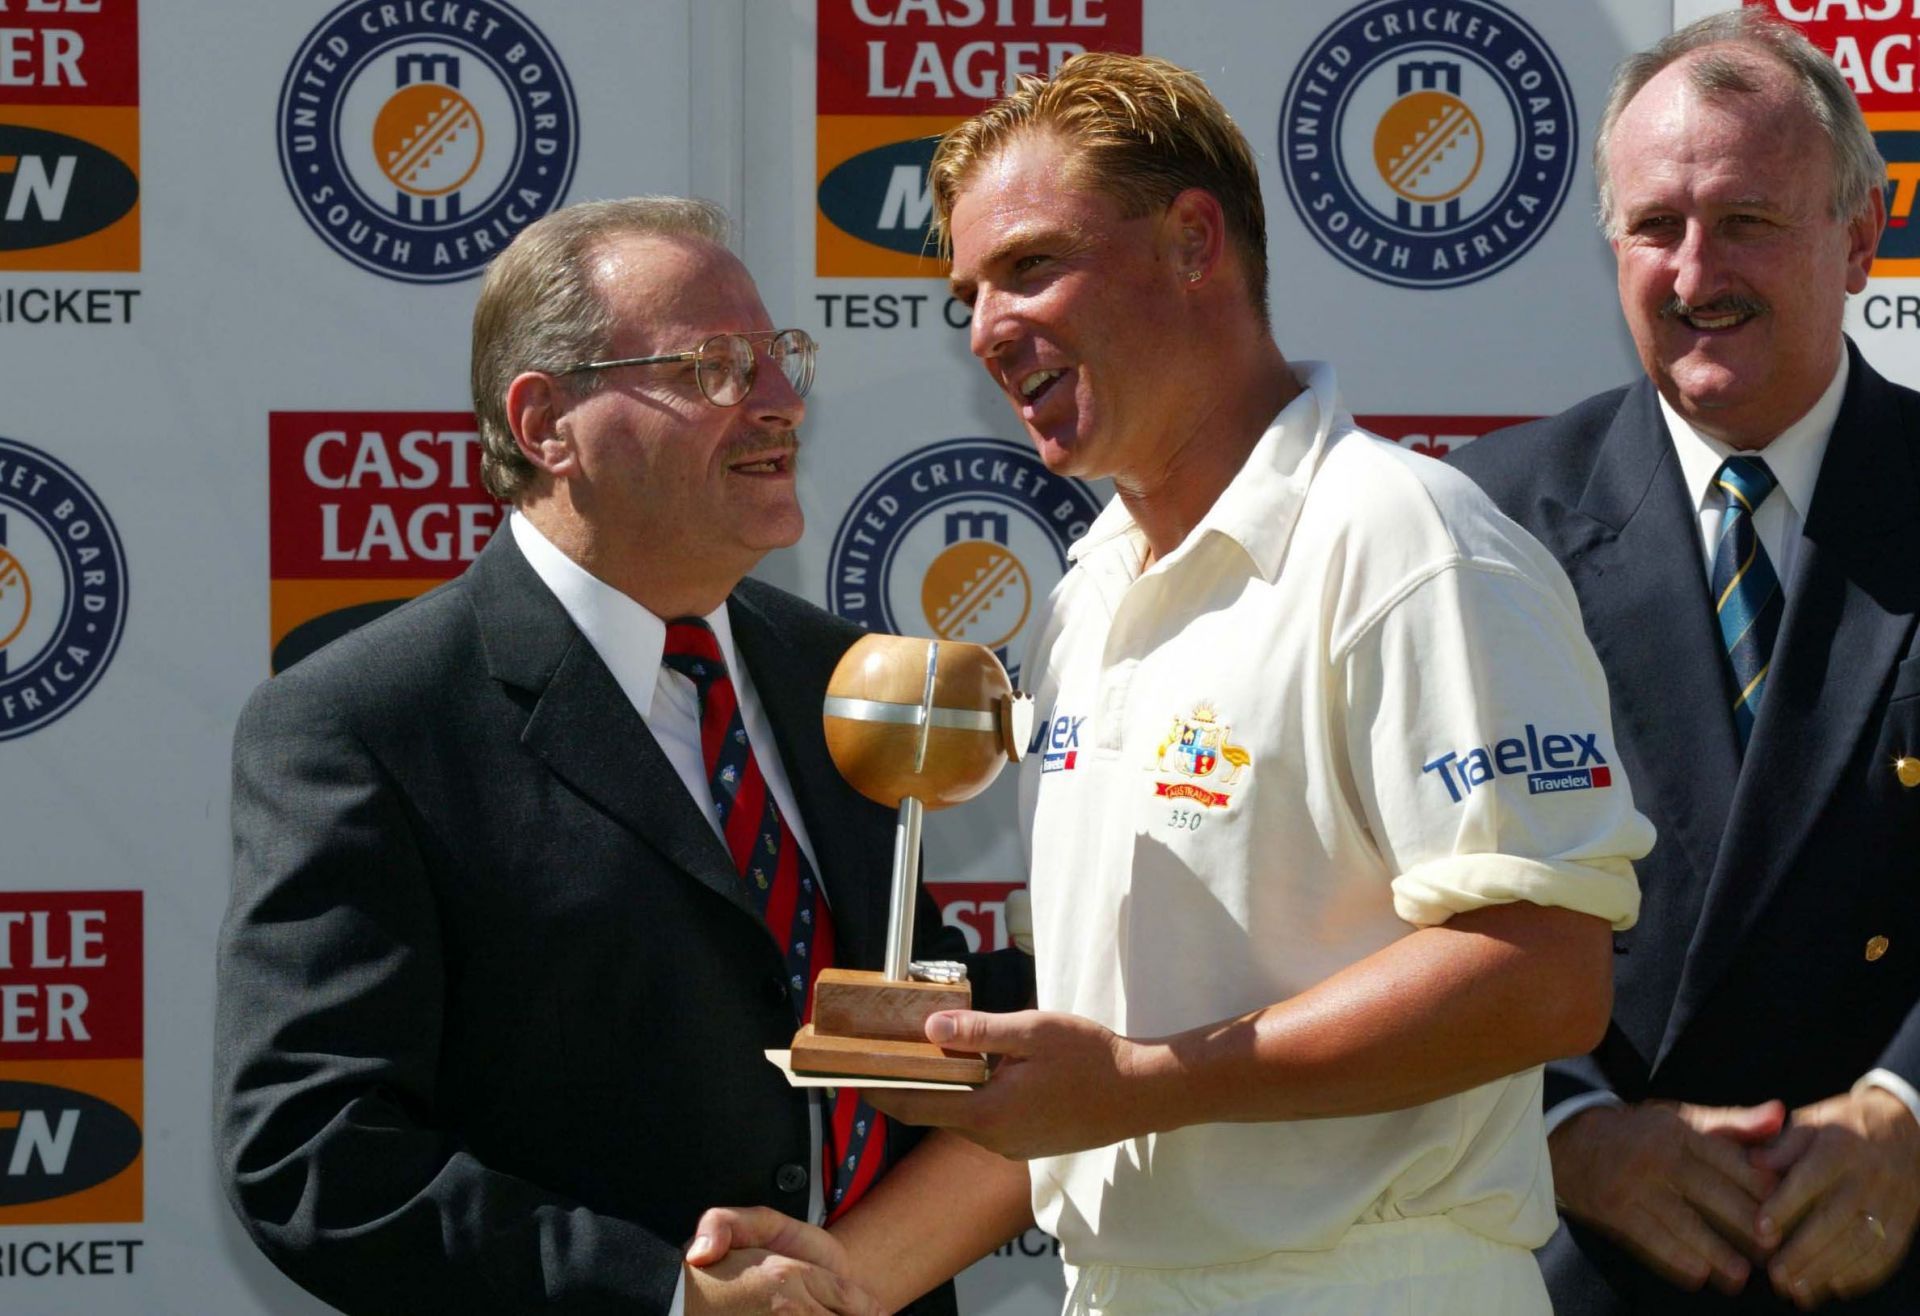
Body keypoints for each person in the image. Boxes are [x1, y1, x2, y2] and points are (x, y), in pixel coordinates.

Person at [702, 52, 1653, 1315]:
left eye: (1032, 264)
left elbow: (1543, 971)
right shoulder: (1092, 588)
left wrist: (1149, 1078)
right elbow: (1095, 1079)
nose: (987, 327)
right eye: (969, 292)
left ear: (1195, 240)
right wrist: (840, 1281)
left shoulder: (1406, 539)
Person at [213, 196, 1026, 1316]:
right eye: (713, 366)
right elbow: (314, 1151)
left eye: (781, 357)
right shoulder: (365, 721)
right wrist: (665, 1296)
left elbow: (891, 1020)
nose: (784, 401)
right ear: (546, 421)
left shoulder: (847, 678)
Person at [1448, 11, 1920, 1312]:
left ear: (1864, 235)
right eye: (1657, 226)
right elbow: (1375, 895)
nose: (1696, 270)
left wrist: (1908, 1113)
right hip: (1587, 1266)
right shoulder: (1478, 521)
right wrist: (1565, 1130)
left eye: (1749, 221)